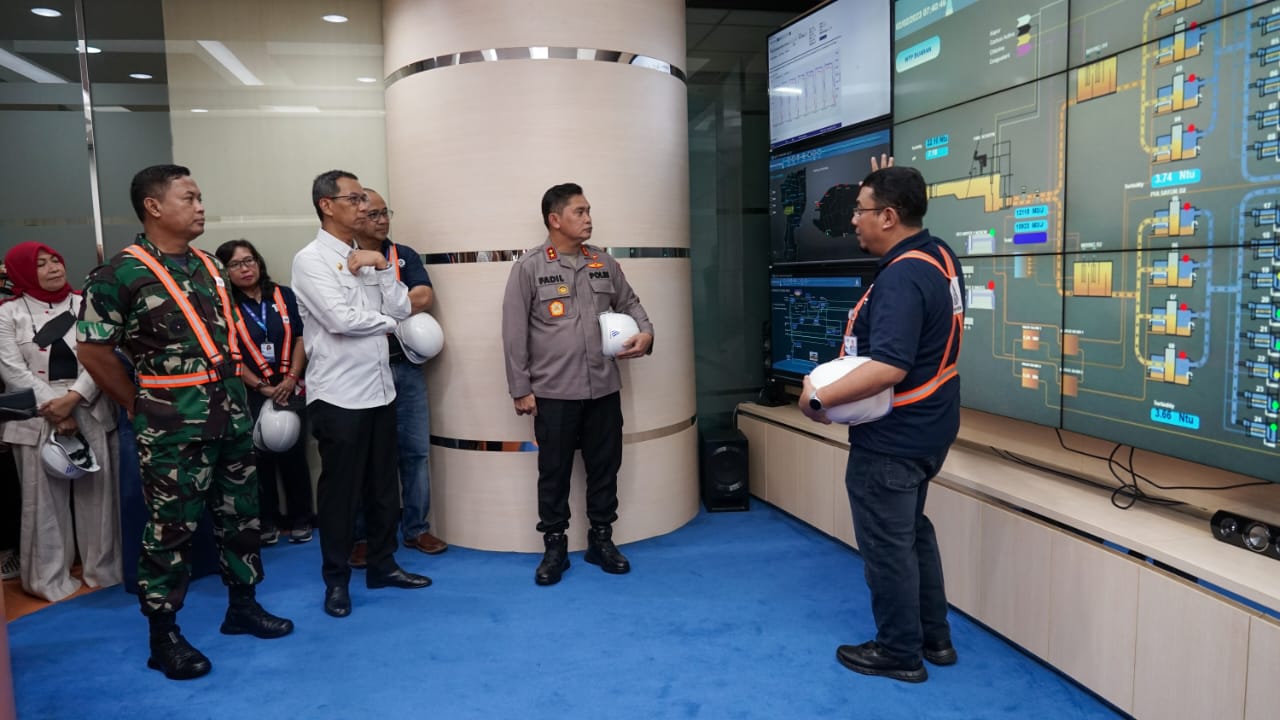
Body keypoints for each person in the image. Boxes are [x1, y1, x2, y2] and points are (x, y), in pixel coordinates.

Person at [77, 164, 293, 681]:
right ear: (153, 207)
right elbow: (93, 350)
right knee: (170, 529)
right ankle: (163, 636)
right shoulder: (118, 275)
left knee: (242, 516)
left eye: (200, 198)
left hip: (230, 414)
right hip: (171, 425)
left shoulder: (209, 266)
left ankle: (243, 606)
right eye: (189, 198)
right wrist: (136, 403)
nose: (201, 207)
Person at [798, 163, 965, 684]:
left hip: (893, 438)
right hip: (931, 428)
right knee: (912, 533)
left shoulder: (902, 277)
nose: (854, 220)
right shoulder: (938, 254)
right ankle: (935, 638)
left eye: (861, 210)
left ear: (889, 217)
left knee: (887, 546)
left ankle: (899, 651)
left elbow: (890, 365)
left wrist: (818, 400)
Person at [291, 170, 431, 619]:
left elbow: (401, 304)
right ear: (326, 205)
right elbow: (340, 320)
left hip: (380, 388)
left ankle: (383, 565)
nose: (364, 207)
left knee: (383, 488)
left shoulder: (366, 255)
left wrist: (383, 267)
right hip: (339, 395)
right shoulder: (310, 260)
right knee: (341, 495)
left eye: (364, 200)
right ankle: (336, 580)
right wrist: (393, 325)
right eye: (353, 199)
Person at [501, 183, 654, 586]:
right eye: (579, 212)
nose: (588, 219)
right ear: (555, 219)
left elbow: (631, 303)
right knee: (554, 472)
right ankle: (554, 547)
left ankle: (601, 540)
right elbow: (514, 333)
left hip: (603, 388)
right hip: (554, 393)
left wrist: (646, 333)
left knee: (605, 467)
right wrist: (520, 388)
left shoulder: (603, 262)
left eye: (589, 211)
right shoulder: (530, 267)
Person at [0, 242, 122, 602]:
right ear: (23, 272)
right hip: (37, 413)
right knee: (42, 503)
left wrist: (73, 399)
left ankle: (103, 570)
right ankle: (47, 577)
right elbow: (11, 369)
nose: (53, 267)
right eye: (41, 264)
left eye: (56, 260)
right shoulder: (8, 313)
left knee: (99, 497)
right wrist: (56, 409)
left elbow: (103, 356)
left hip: (90, 403)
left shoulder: (87, 304)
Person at [348, 189, 446, 568]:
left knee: (416, 451)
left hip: (405, 366)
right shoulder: (344, 258)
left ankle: (416, 527)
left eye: (384, 212)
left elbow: (423, 298)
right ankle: (363, 536)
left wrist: (380, 309)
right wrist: (396, 309)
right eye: (373, 214)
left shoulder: (403, 255)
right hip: (363, 370)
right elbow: (344, 312)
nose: (382, 220)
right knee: (365, 458)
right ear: (355, 217)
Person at [215, 239, 313, 545]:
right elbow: (228, 355)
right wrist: (261, 386)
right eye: (235, 264)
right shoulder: (224, 308)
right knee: (258, 459)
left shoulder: (284, 296)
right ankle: (266, 520)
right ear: (225, 272)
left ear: (259, 262)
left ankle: (301, 517)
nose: (245, 268)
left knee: (294, 454)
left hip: (290, 385)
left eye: (249, 260)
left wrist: (291, 378)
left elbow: (301, 337)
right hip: (252, 391)